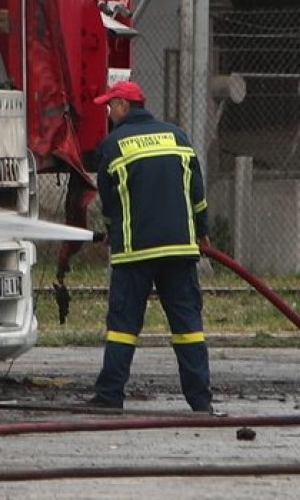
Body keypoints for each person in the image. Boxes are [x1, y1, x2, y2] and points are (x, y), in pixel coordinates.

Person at [86, 80, 214, 413]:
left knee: (123, 328)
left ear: (124, 106)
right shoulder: (178, 137)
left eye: (110, 106)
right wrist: (201, 233)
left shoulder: (112, 145)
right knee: (188, 327)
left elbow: (110, 202)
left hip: (135, 252)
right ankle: (201, 402)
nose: (108, 112)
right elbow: (197, 193)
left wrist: (111, 235)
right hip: (180, 250)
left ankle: (109, 396)